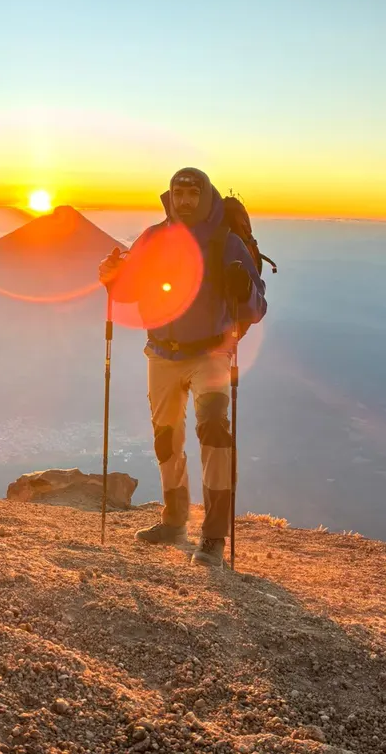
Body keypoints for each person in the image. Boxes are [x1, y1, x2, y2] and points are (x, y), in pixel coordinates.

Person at [99, 167, 267, 567]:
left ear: (206, 196)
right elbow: (129, 291)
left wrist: (243, 289)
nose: (186, 199)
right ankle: (174, 522)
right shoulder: (154, 238)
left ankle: (213, 537)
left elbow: (257, 308)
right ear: (170, 196)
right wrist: (111, 279)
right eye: (180, 192)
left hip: (211, 354)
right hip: (161, 353)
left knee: (212, 432)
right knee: (165, 440)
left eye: (194, 192)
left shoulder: (226, 242)